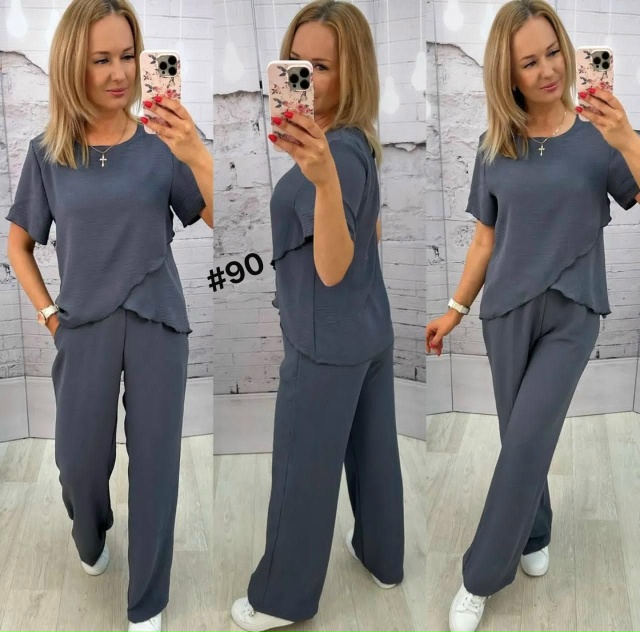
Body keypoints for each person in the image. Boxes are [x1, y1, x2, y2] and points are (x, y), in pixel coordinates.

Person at [425, 2, 640, 631]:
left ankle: (478, 578)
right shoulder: (494, 148)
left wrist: (628, 137)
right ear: (508, 73)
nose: (548, 70)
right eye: (529, 62)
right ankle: (535, 529)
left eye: (553, 53)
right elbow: (484, 241)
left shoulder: (601, 137)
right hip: (505, 313)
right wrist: (455, 309)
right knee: (520, 435)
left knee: (523, 441)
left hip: (574, 312)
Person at [5, 1, 213, 631]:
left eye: (128, 56)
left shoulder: (162, 144)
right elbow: (19, 244)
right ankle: (91, 534)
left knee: (156, 466)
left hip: (158, 321)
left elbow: (217, 217)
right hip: (83, 326)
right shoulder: (48, 154)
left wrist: (195, 150)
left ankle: (147, 602)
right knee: (77, 462)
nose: (119, 72)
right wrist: (49, 314)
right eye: (101, 59)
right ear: (74, 63)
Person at [230, 1, 404, 630]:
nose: (305, 77)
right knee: (373, 454)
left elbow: (330, 269)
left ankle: (281, 599)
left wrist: (323, 185)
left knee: (302, 471)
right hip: (368, 326)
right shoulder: (356, 143)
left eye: (322, 67)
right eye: (296, 63)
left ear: (352, 72)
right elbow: (370, 233)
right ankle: (384, 559)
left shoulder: (337, 158)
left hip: (324, 341)